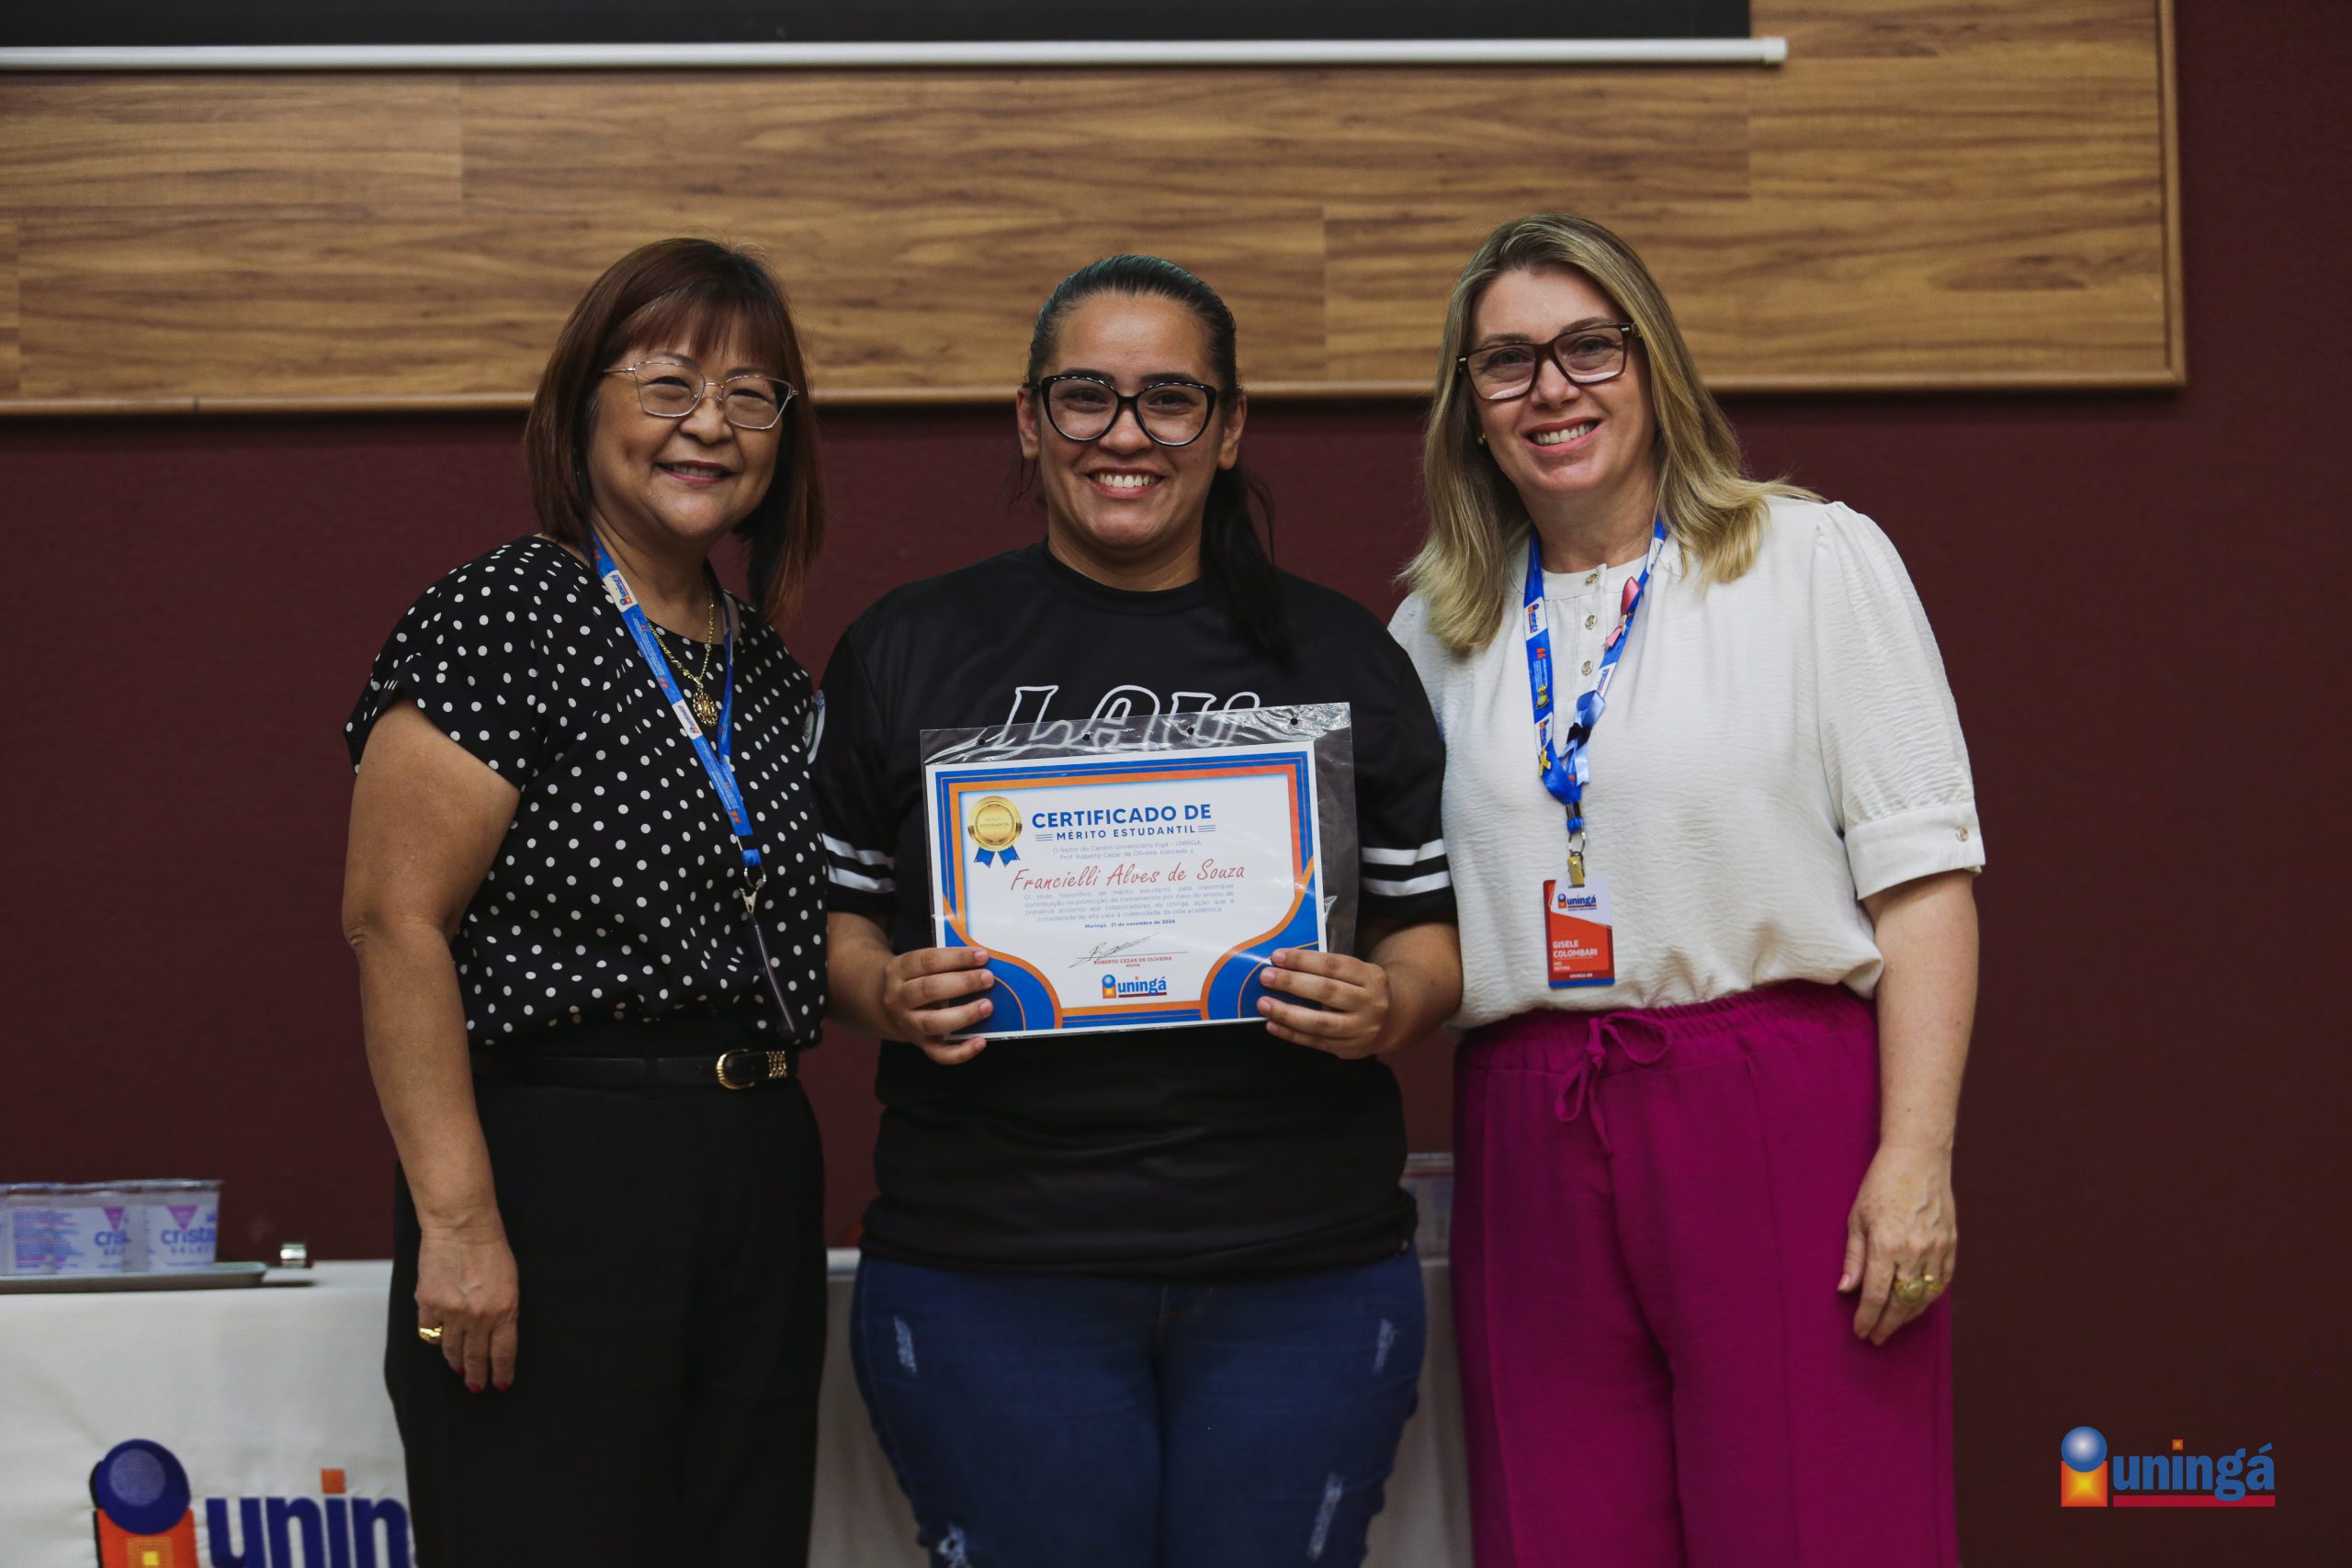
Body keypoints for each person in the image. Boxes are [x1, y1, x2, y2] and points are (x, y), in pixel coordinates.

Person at [814, 254, 1463, 1568]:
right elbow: (838, 927)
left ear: (1229, 428)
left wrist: (1390, 1005)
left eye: (1170, 398)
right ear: (1028, 420)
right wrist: (882, 991)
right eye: (1085, 396)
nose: (1125, 434)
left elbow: (1428, 940)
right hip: (993, 1270)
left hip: (1301, 1269)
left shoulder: (1340, 651)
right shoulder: (910, 644)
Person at [1387, 213, 1980, 1567]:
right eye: (1506, 362)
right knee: (1563, 1530)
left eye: (1589, 348)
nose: (1551, 389)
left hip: (1775, 1107)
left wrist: (1916, 1160)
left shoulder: (1810, 561)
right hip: (1531, 1122)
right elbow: (1402, 906)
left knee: (1820, 1525)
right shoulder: (1436, 625)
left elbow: (1924, 885)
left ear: (1653, 364)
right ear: (1467, 405)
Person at [341, 238, 830, 1567]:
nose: (709, 425)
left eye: (751, 395)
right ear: (581, 404)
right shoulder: (508, 612)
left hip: (754, 1167)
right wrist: (459, 1224)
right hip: (555, 1175)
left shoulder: (763, 668)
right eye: (668, 384)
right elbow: (394, 922)